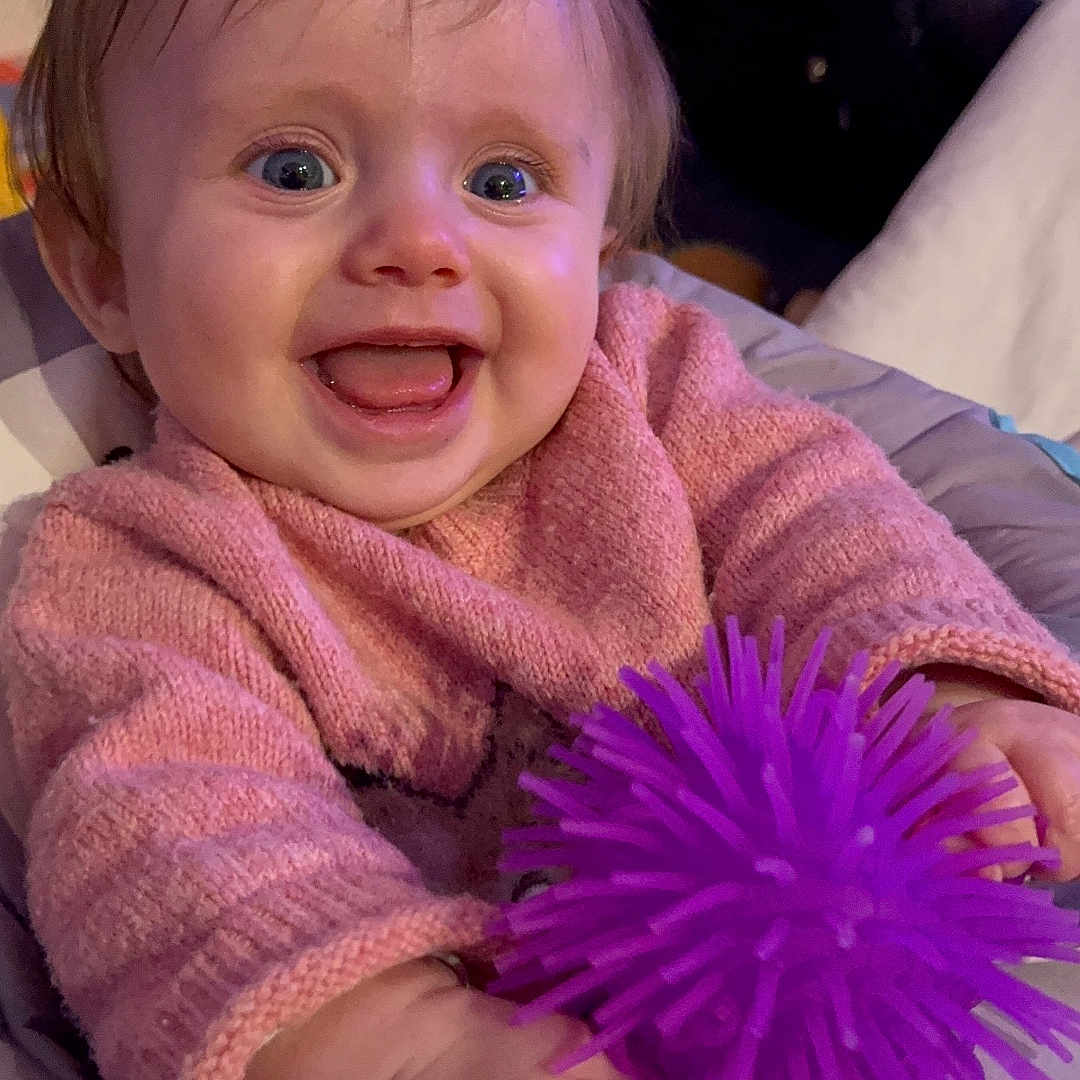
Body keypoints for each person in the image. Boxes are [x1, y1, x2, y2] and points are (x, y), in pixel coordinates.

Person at [4, 0, 1080, 1077]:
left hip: (815, 987)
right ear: (104, 275)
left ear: (600, 255)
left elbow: (821, 514)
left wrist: (943, 698)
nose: (419, 245)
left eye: (503, 182)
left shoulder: (648, 382)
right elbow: (171, 819)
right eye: (295, 169)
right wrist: (395, 1040)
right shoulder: (133, 565)